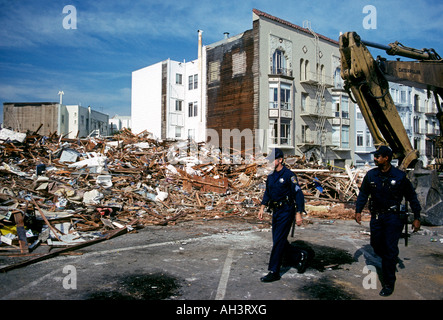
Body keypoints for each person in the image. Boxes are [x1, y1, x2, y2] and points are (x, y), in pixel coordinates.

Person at [355, 145, 421, 297]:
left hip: (393, 217)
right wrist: (358, 210)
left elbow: (412, 196)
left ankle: (388, 283)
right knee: (376, 246)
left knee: (389, 250)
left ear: (386, 158)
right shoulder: (371, 175)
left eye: (378, 156)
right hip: (377, 217)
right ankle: (388, 258)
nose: (375, 158)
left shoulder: (399, 176)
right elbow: (363, 193)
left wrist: (416, 217)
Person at [258, 148, 307, 282]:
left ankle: (274, 271)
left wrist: (298, 213)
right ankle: (300, 255)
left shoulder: (289, 175)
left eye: (272, 160)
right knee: (278, 240)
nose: (270, 163)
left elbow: (298, 194)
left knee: (278, 240)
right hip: (276, 211)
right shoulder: (271, 177)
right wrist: (262, 207)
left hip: (287, 210)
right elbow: (267, 193)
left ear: (280, 160)